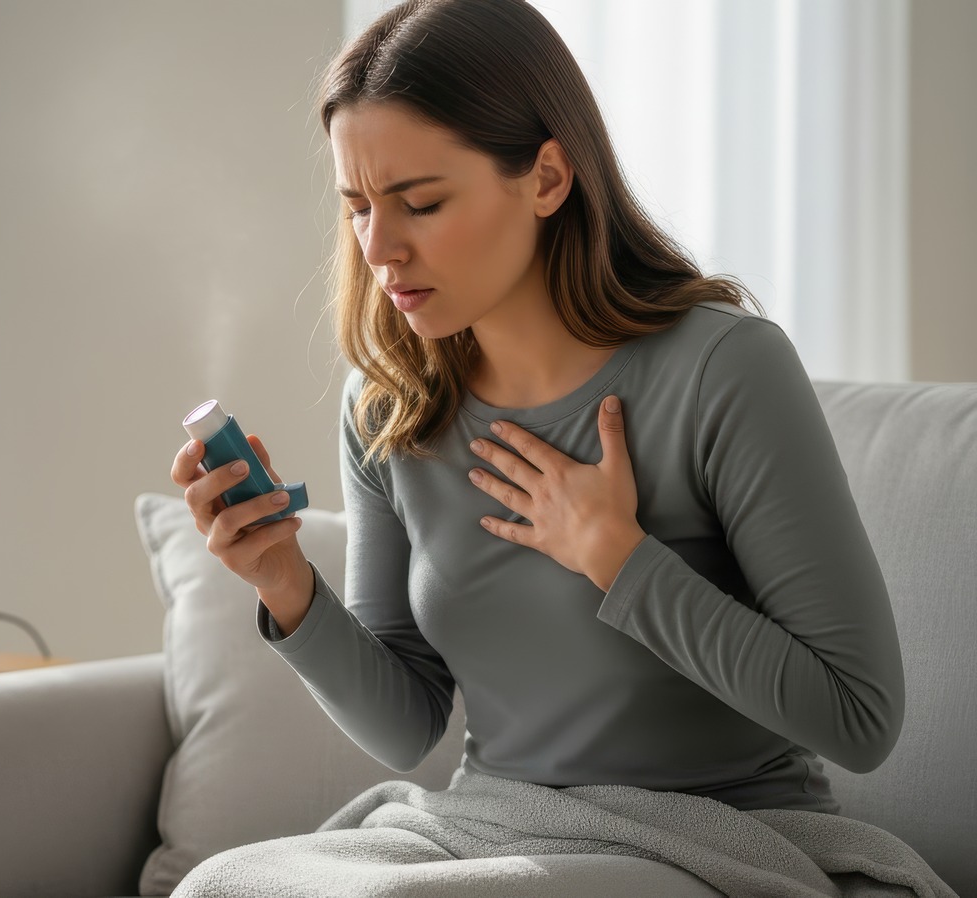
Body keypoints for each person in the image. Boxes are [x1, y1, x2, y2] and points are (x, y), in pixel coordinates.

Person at [172, 0, 902, 834]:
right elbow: (405, 726)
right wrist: (284, 583)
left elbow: (860, 718)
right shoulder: (389, 408)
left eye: (421, 202)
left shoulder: (722, 369)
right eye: (359, 206)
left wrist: (620, 558)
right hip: (498, 836)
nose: (378, 249)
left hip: (719, 840)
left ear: (548, 178)